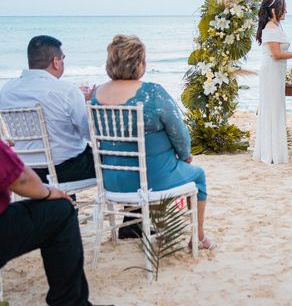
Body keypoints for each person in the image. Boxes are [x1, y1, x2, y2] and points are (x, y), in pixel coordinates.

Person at [91, 34, 213, 249]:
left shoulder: (97, 95)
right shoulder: (152, 93)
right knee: (198, 176)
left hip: (111, 180)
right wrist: (185, 156)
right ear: (139, 63)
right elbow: (179, 132)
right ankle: (199, 238)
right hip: (151, 179)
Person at [0, 139, 92, 305]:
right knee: (61, 211)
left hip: (38, 167)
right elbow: (21, 180)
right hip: (61, 168)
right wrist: (48, 193)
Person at [0, 35, 95, 183]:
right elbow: (91, 134)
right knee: (108, 158)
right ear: (56, 62)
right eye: (63, 58)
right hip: (66, 170)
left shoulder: (6, 91)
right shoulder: (66, 91)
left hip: (24, 170)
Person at [253, 0, 292, 164]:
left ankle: (274, 149)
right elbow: (276, 54)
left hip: (277, 72)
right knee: (272, 107)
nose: (286, 11)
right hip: (271, 72)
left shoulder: (276, 26)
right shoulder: (270, 28)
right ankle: (271, 152)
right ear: (274, 10)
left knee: (276, 106)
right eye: (283, 8)